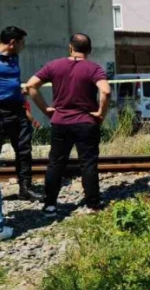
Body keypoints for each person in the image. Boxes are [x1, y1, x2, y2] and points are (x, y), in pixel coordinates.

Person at [26, 33, 110, 214]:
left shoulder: (54, 66)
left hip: (60, 122)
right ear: (89, 50)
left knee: (56, 163)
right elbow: (106, 92)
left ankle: (50, 205)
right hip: (86, 122)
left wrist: (46, 109)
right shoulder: (94, 68)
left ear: (70, 47)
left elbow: (31, 86)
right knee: (88, 163)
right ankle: (93, 205)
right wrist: (100, 114)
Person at [0, 26, 43, 203]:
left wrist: (19, 92)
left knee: (24, 150)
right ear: (12, 43)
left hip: (16, 109)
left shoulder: (14, 58)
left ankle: (25, 188)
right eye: (21, 43)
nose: (23, 47)